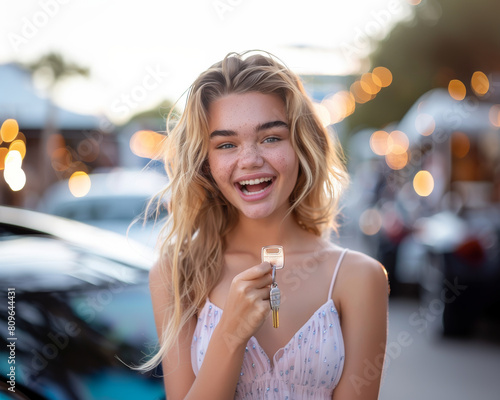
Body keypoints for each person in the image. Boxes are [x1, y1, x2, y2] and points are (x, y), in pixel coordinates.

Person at [146, 51, 389, 400]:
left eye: (271, 138)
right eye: (227, 144)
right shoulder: (175, 274)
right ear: (206, 162)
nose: (250, 160)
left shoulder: (359, 277)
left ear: (301, 146)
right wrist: (230, 332)